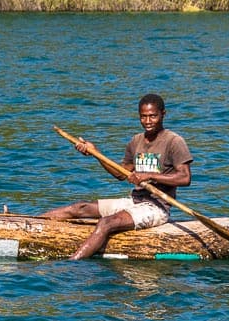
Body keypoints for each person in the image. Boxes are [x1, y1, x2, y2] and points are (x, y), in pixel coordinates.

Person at [41, 94, 193, 260]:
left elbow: (185, 178)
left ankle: (70, 263)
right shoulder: (136, 141)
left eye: (153, 116)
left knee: (106, 223)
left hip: (156, 208)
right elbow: (120, 173)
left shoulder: (174, 141)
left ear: (163, 114)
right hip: (134, 201)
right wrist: (96, 153)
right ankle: (26, 223)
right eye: (143, 117)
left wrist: (149, 176)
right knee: (79, 208)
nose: (148, 121)